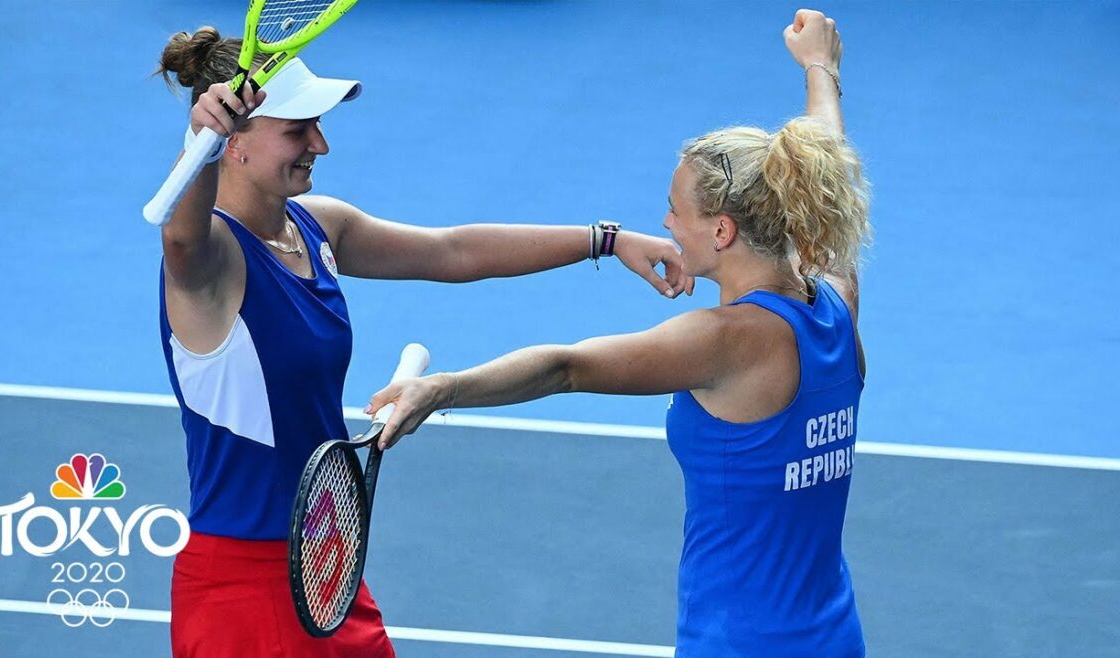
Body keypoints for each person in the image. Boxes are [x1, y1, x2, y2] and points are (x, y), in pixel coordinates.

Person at [153, 24, 693, 658]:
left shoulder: (315, 226)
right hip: (244, 589)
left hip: (324, 563)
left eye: (317, 125)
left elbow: (452, 251)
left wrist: (605, 240)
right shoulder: (209, 264)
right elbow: (180, 238)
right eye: (298, 130)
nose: (320, 143)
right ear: (234, 144)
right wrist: (197, 145)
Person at [367, 10, 870, 657]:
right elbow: (827, 170)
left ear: (722, 231)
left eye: (675, 210)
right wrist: (820, 69)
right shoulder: (836, 300)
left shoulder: (726, 342)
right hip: (835, 636)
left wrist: (442, 389)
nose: (665, 222)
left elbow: (567, 366)